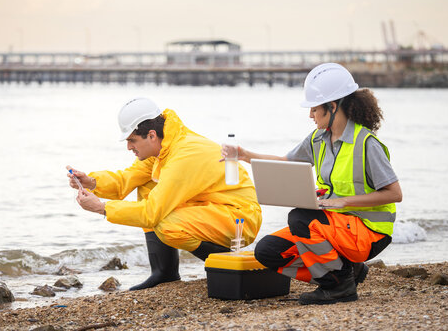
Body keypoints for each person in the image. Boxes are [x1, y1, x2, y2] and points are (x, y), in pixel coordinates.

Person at [222, 63, 402, 305]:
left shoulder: (366, 143)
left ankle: (338, 286)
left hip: (369, 232)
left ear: (333, 107)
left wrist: (342, 202)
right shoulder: (318, 139)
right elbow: (285, 162)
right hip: (334, 227)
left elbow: (394, 193)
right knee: (267, 252)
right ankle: (346, 270)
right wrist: (243, 154)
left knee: (300, 218)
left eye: (314, 109)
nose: (310, 115)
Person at [67, 97, 262, 290]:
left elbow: (151, 213)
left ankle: (227, 265)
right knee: (147, 184)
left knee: (166, 224)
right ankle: (164, 272)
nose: (128, 147)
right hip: (214, 208)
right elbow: (126, 179)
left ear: (151, 135)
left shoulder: (184, 154)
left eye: (132, 140)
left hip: (240, 218)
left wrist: (102, 208)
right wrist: (91, 182)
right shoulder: (164, 147)